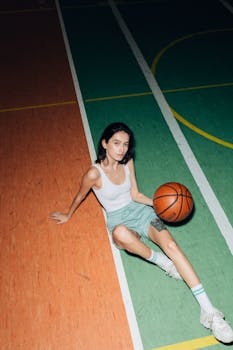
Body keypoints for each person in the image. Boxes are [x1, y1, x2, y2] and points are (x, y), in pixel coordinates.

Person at [49, 122, 233, 343]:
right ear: (105, 143)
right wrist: (68, 214)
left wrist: (158, 205)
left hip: (142, 213)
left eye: (125, 144)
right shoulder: (93, 173)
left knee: (173, 246)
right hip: (119, 220)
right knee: (120, 234)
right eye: (116, 143)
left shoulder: (128, 163)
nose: (122, 149)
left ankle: (210, 313)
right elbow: (80, 195)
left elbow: (135, 194)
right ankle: (162, 262)